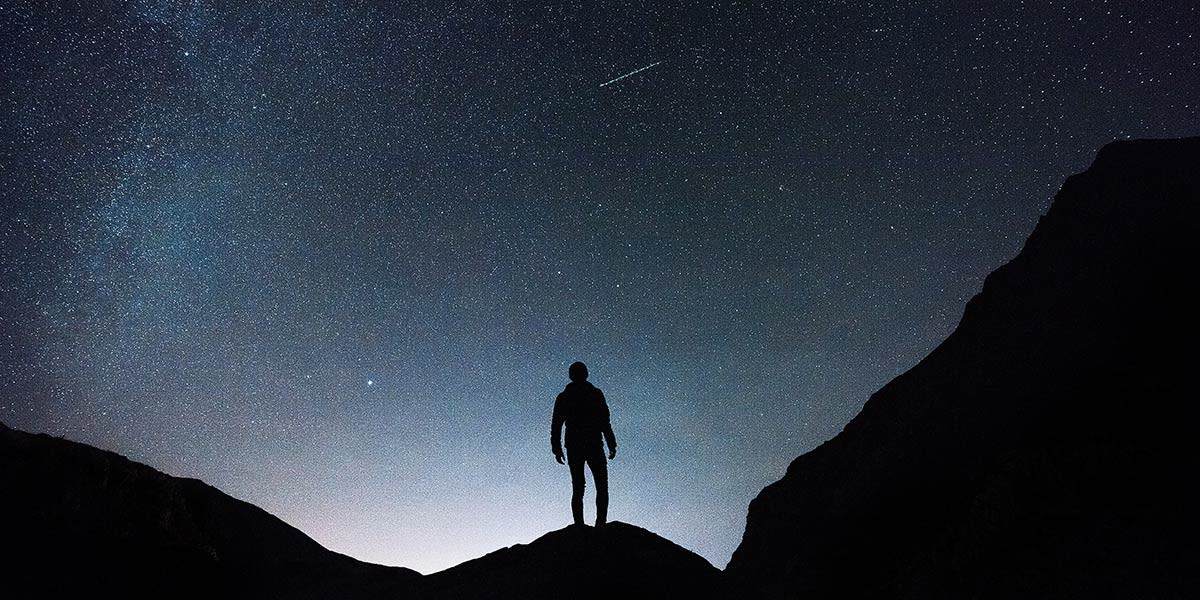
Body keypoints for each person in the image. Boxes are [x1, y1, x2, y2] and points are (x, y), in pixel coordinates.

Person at [551, 361, 617, 527]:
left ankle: (591, 523)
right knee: (592, 486)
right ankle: (594, 523)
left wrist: (611, 442)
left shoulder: (570, 396)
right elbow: (557, 423)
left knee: (583, 487)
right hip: (588, 444)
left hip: (582, 444)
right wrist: (611, 442)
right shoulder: (591, 394)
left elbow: (557, 424)